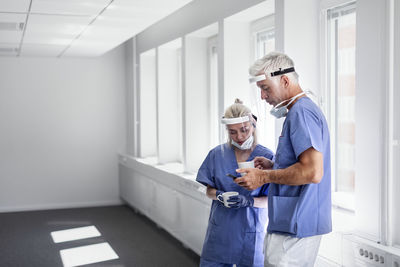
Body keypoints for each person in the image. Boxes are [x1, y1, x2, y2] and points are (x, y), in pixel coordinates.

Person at [235, 52, 331, 267]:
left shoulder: (302, 112)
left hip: (297, 222)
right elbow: (303, 164)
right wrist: (275, 166)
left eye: (265, 88)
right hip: (291, 220)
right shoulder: (297, 112)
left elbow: (313, 172)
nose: (262, 96)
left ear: (285, 80)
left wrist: (263, 176)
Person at [196, 99, 275, 267]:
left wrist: (249, 201)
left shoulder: (267, 157)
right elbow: (209, 190)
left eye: (244, 130)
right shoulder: (217, 154)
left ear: (253, 126)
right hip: (221, 232)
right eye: (232, 132)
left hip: (250, 233)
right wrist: (218, 195)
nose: (239, 137)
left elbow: (272, 200)